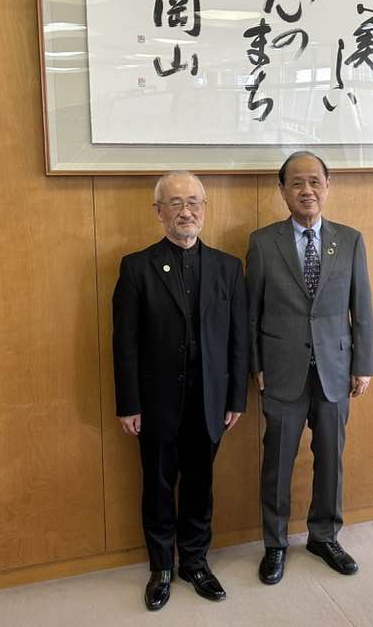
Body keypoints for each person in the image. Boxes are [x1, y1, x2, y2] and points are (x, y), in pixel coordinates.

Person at [113, 171, 248, 611]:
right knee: (157, 485)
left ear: (204, 209)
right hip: (156, 403)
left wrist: (236, 397)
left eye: (193, 202)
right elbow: (125, 343)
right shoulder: (137, 267)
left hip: (210, 400)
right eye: (175, 203)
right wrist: (128, 403)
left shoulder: (229, 267)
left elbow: (238, 340)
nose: (185, 211)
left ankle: (194, 561)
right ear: (159, 212)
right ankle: (161, 567)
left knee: (199, 485)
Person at [245, 151, 373, 585]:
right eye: (297, 183)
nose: (307, 191)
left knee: (331, 459)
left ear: (327, 186)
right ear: (282, 190)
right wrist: (255, 364)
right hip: (282, 370)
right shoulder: (263, 243)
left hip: (336, 369)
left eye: (315, 181)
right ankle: (275, 543)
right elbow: (251, 313)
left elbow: (362, 308)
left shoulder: (350, 240)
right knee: (278, 462)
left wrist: (363, 365)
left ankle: (324, 536)